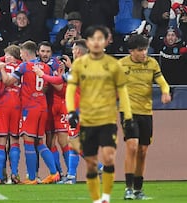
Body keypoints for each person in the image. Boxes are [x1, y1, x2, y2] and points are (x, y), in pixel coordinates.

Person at [65, 25, 134, 203]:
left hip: (107, 117)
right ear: (88, 43)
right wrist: (71, 111)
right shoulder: (79, 65)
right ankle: (97, 198)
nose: (96, 43)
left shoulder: (112, 65)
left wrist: (128, 116)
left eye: (99, 39)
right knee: (90, 159)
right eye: (93, 39)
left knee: (109, 156)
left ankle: (106, 197)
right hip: (86, 116)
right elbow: (70, 89)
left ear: (105, 43)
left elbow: (122, 91)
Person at [119, 34, 171, 200]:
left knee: (142, 151)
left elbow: (162, 81)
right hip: (128, 112)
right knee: (132, 146)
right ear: (131, 51)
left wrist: (165, 92)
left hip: (146, 112)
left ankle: (138, 189)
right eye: (140, 50)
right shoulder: (121, 65)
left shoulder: (152, 63)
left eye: (145, 49)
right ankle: (128, 188)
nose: (144, 53)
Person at [0, 40, 60, 184]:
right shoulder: (46, 67)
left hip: (30, 108)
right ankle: (54, 173)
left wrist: (1, 68)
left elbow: (8, 81)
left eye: (21, 53)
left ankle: (32, 178)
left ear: (25, 53)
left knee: (28, 141)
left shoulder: (24, 66)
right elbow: (50, 84)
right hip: (43, 106)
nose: (20, 55)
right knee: (40, 142)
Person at [33, 39, 88, 184]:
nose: (72, 51)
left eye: (74, 49)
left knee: (72, 141)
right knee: (73, 141)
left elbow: (59, 81)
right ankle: (71, 175)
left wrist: (42, 74)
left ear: (78, 51)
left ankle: (93, 168)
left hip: (79, 109)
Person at [0, 44, 22, 184]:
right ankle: (14, 174)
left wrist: (0, 63)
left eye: (8, 55)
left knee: (1, 141)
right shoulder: (22, 66)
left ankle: (0, 176)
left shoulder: (2, 67)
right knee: (15, 141)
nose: (6, 57)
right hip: (17, 104)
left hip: (4, 104)